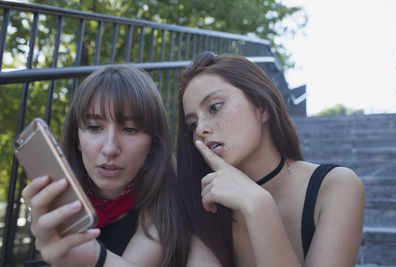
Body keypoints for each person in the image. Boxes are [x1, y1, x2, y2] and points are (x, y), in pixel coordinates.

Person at [177, 52, 365, 267]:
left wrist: (259, 207)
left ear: (262, 106)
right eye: (193, 124)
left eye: (215, 107)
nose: (200, 129)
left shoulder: (335, 186)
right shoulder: (208, 201)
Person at [22, 64, 189, 266]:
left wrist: (91, 257)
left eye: (129, 129)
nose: (110, 149)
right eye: (94, 127)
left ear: (152, 143)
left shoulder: (167, 199)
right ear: (78, 140)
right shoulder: (66, 199)